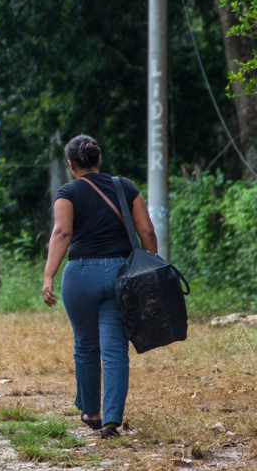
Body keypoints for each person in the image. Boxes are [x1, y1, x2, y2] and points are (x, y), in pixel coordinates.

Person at [42, 134, 157, 439]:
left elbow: (62, 233)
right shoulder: (124, 186)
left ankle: (91, 411)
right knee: (115, 348)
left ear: (70, 165)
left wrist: (48, 275)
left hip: (81, 275)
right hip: (122, 273)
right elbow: (146, 230)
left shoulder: (67, 192)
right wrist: (150, 268)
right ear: (99, 159)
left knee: (85, 344)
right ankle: (111, 421)